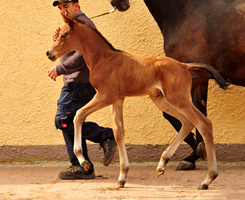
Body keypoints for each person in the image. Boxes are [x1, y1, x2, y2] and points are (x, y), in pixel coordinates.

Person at [48, 0, 117, 180]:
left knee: (63, 120)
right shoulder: (74, 25)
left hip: (79, 82)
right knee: (68, 121)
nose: (63, 11)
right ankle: (81, 165)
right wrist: (58, 38)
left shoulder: (84, 24)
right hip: (75, 82)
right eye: (61, 8)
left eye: (66, 7)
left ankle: (106, 136)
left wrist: (59, 69)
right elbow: (69, 48)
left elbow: (81, 56)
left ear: (76, 6)